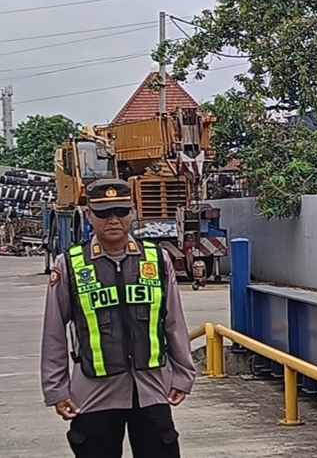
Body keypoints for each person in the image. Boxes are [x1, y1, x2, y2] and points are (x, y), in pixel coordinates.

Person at [41, 178, 196, 458]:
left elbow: (174, 321)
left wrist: (183, 375)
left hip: (151, 388)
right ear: (89, 216)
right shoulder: (70, 265)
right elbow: (54, 332)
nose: (113, 220)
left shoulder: (157, 259)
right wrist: (56, 389)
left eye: (121, 211)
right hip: (95, 392)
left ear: (132, 213)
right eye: (103, 213)